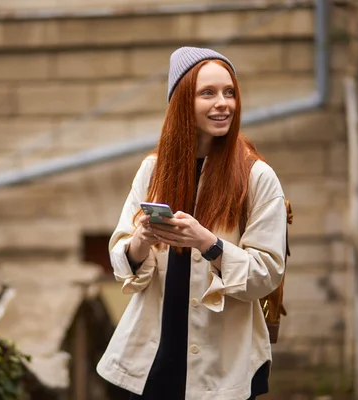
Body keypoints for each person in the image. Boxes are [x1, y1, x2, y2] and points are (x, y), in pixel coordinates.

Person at [96, 47, 288, 400]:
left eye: (229, 92)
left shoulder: (257, 177)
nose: (223, 103)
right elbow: (122, 262)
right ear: (183, 102)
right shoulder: (153, 170)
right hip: (152, 360)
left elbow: (267, 273)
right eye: (208, 93)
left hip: (223, 366)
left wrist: (208, 243)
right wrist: (141, 238)